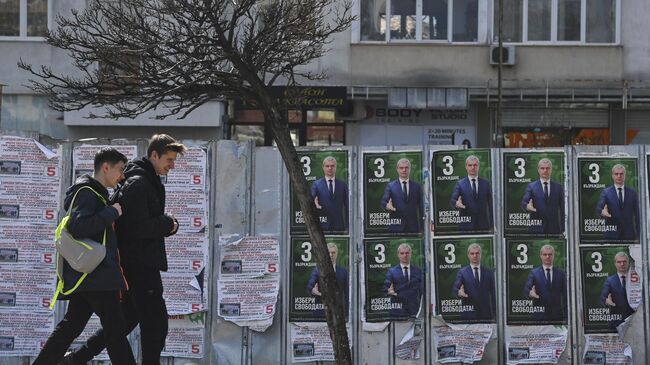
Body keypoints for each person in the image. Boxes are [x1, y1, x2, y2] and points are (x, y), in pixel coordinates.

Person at [63, 134, 186, 365]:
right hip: (139, 264)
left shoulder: (144, 180)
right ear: (154, 155)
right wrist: (168, 224)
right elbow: (137, 227)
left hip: (135, 262)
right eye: (169, 159)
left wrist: (164, 225)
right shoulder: (139, 184)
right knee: (155, 323)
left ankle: (78, 358)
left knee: (127, 319)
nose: (172, 165)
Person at [33, 148, 135, 365]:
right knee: (115, 329)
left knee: (71, 326)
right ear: (105, 168)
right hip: (97, 277)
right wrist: (112, 212)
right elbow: (79, 227)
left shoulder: (95, 192)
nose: (122, 175)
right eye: (120, 169)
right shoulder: (87, 193)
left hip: (90, 275)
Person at [522, 245, 567, 322]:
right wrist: (530, 292)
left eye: (550, 254)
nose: (547, 257)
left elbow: (566, 295)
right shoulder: (534, 273)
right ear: (541, 256)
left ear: (553, 256)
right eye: (545, 254)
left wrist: (566, 316)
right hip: (539, 316)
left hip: (557, 317)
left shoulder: (561, 274)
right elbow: (526, 288)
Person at [452, 243, 496, 322]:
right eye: (472, 253)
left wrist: (495, 315)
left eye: (477, 253)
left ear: (480, 255)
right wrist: (459, 292)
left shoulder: (489, 272)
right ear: (468, 255)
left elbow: (493, 294)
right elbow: (455, 289)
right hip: (468, 314)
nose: (475, 256)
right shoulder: (462, 272)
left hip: (486, 315)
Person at [520, 158, 565, 234]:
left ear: (551, 170)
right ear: (538, 170)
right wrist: (527, 207)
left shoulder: (558, 187)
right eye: (542, 168)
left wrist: (563, 229)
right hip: (536, 229)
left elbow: (563, 209)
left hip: (554, 229)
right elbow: (523, 202)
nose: (545, 170)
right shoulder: (531, 186)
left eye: (547, 168)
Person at [595, 164, 640, 240]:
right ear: (612, 176)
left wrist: (639, 236)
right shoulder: (606, 192)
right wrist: (603, 212)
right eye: (616, 174)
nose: (619, 176)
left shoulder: (633, 193)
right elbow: (599, 208)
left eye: (621, 174)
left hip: (629, 235)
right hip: (611, 235)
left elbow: (638, 216)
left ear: (625, 176)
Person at [305, 242, 349, 319]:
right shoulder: (318, 270)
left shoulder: (343, 272)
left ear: (337, 254)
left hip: (338, 315)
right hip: (321, 313)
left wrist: (346, 314)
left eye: (333, 253)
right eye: (328, 253)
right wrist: (314, 291)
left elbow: (346, 294)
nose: (331, 255)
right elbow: (309, 285)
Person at [450, 155, 493, 232]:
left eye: (475, 165)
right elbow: (453, 200)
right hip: (466, 226)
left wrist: (492, 225)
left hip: (483, 225)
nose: (472, 167)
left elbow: (491, 206)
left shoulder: (486, 184)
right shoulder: (460, 184)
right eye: (470, 165)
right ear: (466, 167)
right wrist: (457, 203)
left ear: (478, 167)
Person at [380, 158, 423, 233]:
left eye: (406, 168)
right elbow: (383, 202)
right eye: (401, 168)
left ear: (410, 169)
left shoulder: (417, 186)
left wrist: (422, 228)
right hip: (395, 228)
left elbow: (421, 208)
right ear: (397, 169)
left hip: (413, 228)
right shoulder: (391, 186)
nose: (404, 170)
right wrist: (387, 206)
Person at [384, 243, 424, 317]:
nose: (405, 255)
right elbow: (386, 288)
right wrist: (389, 291)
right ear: (398, 254)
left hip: (414, 310)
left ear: (410, 254)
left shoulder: (418, 271)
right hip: (397, 311)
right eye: (402, 253)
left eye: (407, 253)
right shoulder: (391, 271)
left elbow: (423, 291)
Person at [311, 156, 349, 232]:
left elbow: (347, 206)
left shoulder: (342, 185)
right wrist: (316, 205)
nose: (330, 168)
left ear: (335, 167)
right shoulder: (317, 184)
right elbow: (310, 202)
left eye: (332, 166)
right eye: (327, 166)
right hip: (322, 226)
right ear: (323, 167)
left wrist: (348, 226)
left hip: (339, 226)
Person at [600, 252, 635, 329]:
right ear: (615, 264)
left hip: (634, 322)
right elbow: (602, 297)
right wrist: (607, 301)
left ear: (628, 263)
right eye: (619, 262)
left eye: (624, 261)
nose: (622, 264)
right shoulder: (610, 281)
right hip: (616, 323)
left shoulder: (635, 279)